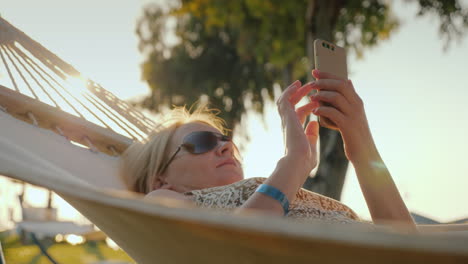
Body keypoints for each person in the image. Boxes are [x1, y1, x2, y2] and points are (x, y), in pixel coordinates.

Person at [119, 69, 416, 229]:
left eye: (225, 141)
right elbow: (239, 248)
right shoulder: (161, 200)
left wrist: (361, 148)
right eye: (202, 143)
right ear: (161, 179)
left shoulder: (277, 195)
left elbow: (407, 248)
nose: (224, 149)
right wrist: (295, 161)